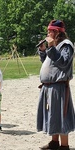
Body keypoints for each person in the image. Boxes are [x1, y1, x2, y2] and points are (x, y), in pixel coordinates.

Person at [37, 20, 75, 150]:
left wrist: (51, 48)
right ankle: (54, 142)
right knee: (53, 116)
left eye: (50, 31)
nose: (47, 33)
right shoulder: (54, 45)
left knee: (61, 117)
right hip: (48, 87)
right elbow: (49, 63)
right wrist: (43, 51)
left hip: (59, 87)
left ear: (57, 31)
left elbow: (63, 63)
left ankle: (64, 146)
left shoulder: (66, 45)